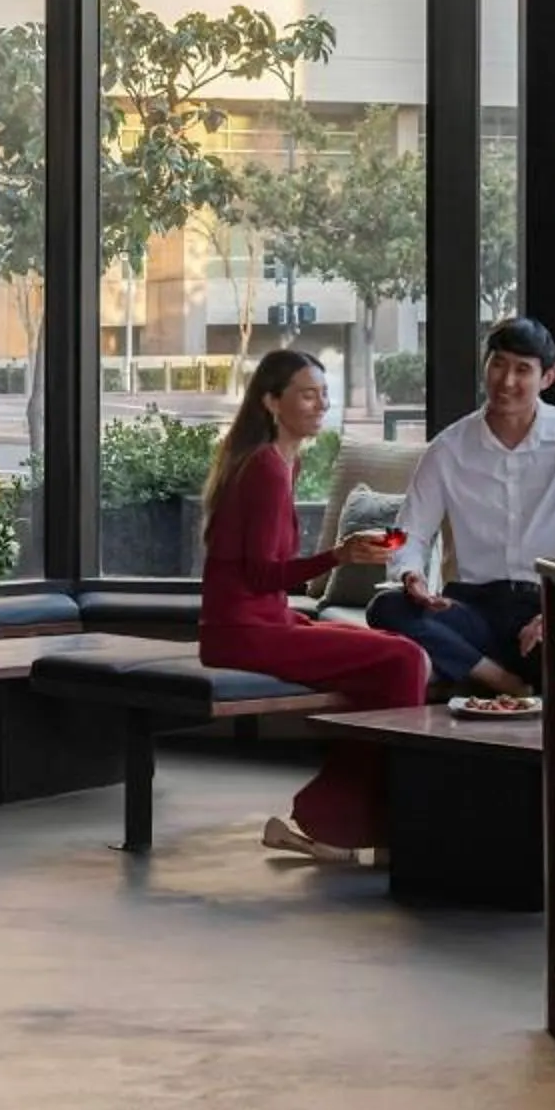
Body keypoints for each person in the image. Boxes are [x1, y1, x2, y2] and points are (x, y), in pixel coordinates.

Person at [196, 350, 432, 863]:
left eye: (324, 393)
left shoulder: (282, 460)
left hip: (262, 619)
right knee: (404, 661)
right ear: (271, 401)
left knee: (399, 653)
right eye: (308, 393)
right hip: (241, 630)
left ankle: (338, 819)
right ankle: (355, 821)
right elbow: (260, 575)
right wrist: (339, 555)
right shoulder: (264, 469)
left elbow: (262, 575)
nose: (320, 403)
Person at [369, 317, 555, 699]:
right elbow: (405, 533)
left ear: (548, 377)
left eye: (523, 369)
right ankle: (499, 679)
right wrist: (410, 575)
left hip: (548, 607)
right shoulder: (448, 447)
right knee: (386, 608)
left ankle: (500, 676)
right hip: (472, 609)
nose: (506, 381)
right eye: (499, 364)